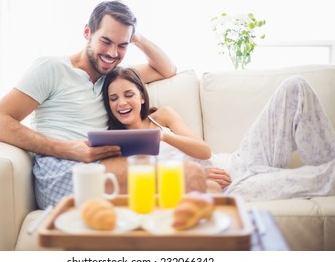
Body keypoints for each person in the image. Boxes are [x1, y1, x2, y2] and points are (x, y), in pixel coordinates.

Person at [0, 0, 182, 209]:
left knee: (185, 179)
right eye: (106, 41)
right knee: (187, 176)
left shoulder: (113, 79)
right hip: (61, 171)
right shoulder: (52, 68)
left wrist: (136, 37)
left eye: (122, 45)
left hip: (100, 165)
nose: (113, 53)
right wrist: (67, 149)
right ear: (88, 32)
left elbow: (167, 69)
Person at [103, 66, 335, 201]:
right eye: (113, 99)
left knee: (295, 86)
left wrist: (161, 136)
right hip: (228, 187)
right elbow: (141, 187)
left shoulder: (162, 116)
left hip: (235, 161)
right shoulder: (118, 145)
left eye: (128, 94)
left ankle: (325, 160)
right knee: (324, 178)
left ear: (142, 96)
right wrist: (194, 179)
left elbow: (204, 151)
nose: (122, 103)